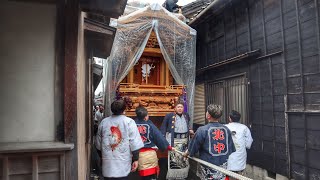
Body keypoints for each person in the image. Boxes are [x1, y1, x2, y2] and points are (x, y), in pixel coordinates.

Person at [95, 99, 144, 180]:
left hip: (108, 164)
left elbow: (98, 144)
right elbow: (134, 143)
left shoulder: (104, 122)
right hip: (123, 164)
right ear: (124, 109)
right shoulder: (129, 122)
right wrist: (135, 159)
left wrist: (102, 157)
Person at [187, 104, 236, 180]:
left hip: (207, 167)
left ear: (208, 115)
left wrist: (187, 153)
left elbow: (192, 149)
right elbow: (231, 149)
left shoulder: (202, 130)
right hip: (222, 167)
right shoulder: (226, 129)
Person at [135, 106, 174, 180]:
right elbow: (159, 138)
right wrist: (168, 147)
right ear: (146, 117)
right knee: (150, 176)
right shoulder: (150, 125)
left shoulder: (132, 124)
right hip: (149, 155)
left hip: (137, 155)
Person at [160, 101, 194, 179]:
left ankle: (183, 175)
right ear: (175, 108)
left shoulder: (186, 115)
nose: (180, 108)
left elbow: (187, 125)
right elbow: (163, 128)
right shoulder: (169, 116)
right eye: (178, 107)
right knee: (174, 159)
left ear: (183, 108)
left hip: (184, 141)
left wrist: (190, 130)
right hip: (174, 141)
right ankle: (173, 176)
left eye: (181, 107)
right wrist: (163, 140)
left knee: (184, 159)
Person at [225, 110, 253, 178]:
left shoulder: (225, 127)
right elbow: (249, 143)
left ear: (229, 118)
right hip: (240, 156)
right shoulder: (244, 128)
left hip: (227, 156)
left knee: (225, 173)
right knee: (240, 175)